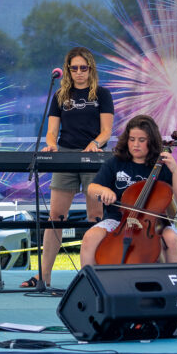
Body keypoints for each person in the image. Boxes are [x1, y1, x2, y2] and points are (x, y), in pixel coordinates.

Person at [23, 47, 114, 288]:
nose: (79, 72)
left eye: (83, 68)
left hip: (93, 157)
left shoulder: (102, 94)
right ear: (67, 70)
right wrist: (51, 146)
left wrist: (94, 144)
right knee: (56, 217)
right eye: (74, 68)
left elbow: (107, 131)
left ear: (91, 69)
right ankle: (43, 276)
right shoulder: (61, 96)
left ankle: (95, 275)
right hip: (65, 155)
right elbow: (52, 132)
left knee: (95, 217)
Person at [79, 115, 177, 268]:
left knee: (171, 238)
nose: (135, 144)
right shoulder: (115, 163)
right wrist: (104, 191)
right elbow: (92, 188)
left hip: (153, 224)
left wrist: (175, 170)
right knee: (90, 237)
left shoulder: (162, 167)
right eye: (132, 139)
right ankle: (90, 286)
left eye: (141, 140)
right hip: (118, 220)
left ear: (151, 141)